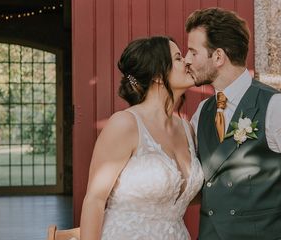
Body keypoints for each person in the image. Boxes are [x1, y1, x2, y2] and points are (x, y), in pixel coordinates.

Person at [186, 7, 281, 240]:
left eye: (193, 52)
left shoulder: (277, 107)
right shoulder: (201, 113)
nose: (187, 61)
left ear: (217, 57)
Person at [79, 36, 204, 240]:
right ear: (157, 75)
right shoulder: (124, 125)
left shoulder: (187, 130)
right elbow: (95, 199)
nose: (187, 62)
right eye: (179, 58)